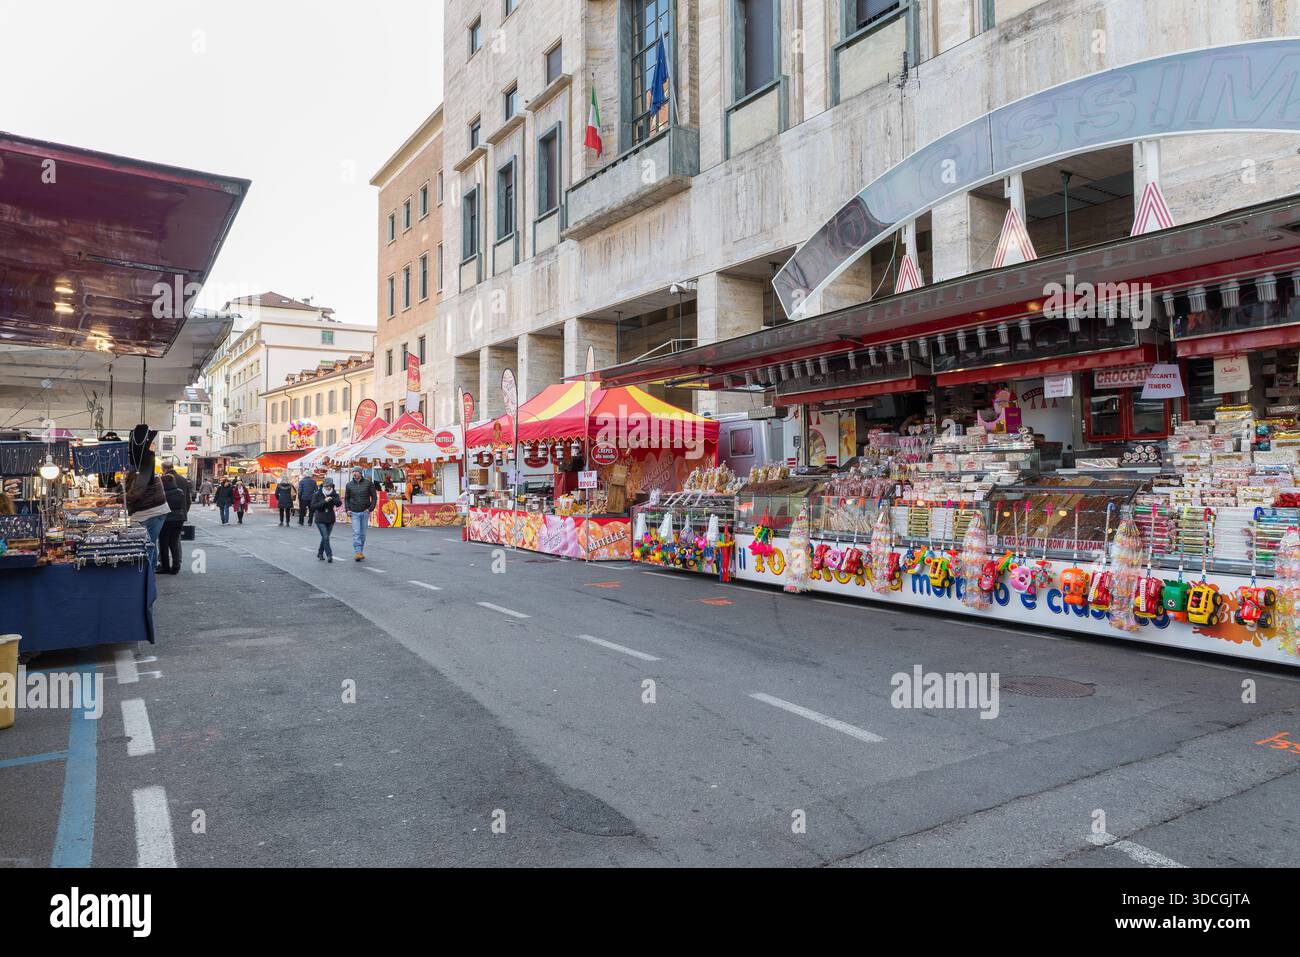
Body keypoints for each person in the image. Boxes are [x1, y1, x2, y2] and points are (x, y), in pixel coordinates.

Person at [125, 424, 169, 553]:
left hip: (150, 513)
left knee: (147, 546)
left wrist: (116, 499)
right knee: (149, 544)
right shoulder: (143, 463)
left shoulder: (143, 465)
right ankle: (150, 570)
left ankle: (149, 571)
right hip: (153, 512)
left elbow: (136, 493)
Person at [344, 467, 377, 560]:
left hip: (365, 511)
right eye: (353, 472)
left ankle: (361, 551)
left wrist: (370, 508)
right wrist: (347, 509)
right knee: (356, 532)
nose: (354, 473)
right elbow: (346, 498)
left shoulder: (368, 483)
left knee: (362, 534)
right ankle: (358, 552)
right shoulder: (349, 485)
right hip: (354, 512)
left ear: (360, 473)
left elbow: (374, 497)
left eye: (356, 472)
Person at [158, 473, 188, 574]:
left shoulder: (162, 493)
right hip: (179, 518)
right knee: (174, 543)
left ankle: (165, 566)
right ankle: (176, 566)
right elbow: (184, 504)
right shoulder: (180, 492)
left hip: (166, 519)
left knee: (163, 544)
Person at [311, 479, 342, 562]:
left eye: (330, 486)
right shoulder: (317, 494)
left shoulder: (334, 493)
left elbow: (339, 503)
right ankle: (329, 555)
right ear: (323, 486)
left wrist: (332, 499)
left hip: (330, 517)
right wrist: (324, 501)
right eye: (327, 486)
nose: (328, 487)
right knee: (325, 537)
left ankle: (320, 553)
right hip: (320, 517)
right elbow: (314, 506)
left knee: (325, 537)